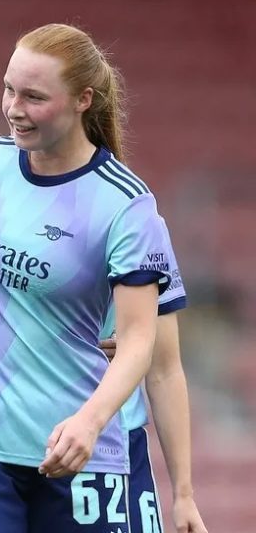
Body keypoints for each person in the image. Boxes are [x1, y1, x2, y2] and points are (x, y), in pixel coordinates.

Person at [0, 23, 171, 532]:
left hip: (74, 446)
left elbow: (138, 342)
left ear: (84, 99)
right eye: (8, 88)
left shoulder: (126, 204)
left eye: (34, 97)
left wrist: (90, 420)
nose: (13, 107)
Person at [99, 220, 208, 533]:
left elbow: (164, 369)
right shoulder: (0, 195)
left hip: (114, 450)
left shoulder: (137, 218)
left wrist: (183, 494)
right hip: (5, 444)